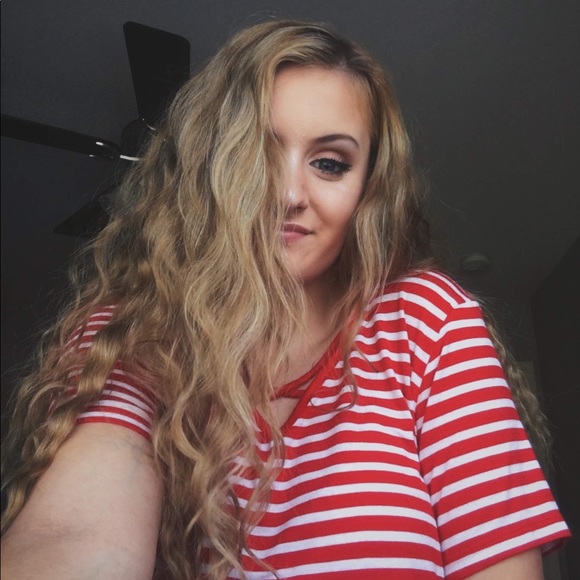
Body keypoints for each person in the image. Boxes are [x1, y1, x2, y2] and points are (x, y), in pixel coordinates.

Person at [1, 19, 569, 580]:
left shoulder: (426, 320)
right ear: (206, 169)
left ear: (367, 191)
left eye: (330, 164)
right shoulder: (138, 334)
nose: (288, 193)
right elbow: (73, 533)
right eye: (256, 154)